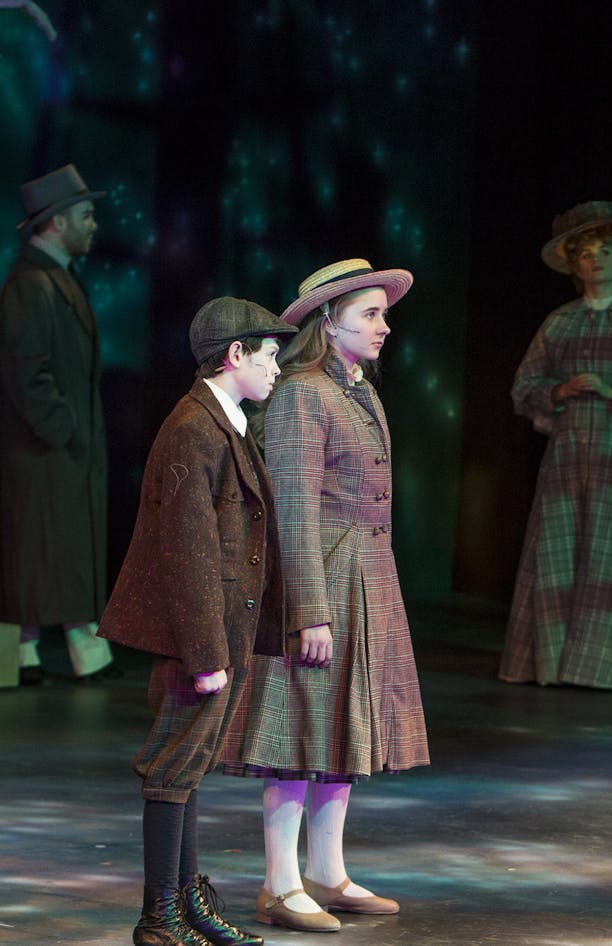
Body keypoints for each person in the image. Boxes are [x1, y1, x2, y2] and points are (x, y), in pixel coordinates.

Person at [221, 259, 428, 933]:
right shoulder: (303, 393)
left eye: (383, 313)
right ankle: (280, 883)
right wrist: (308, 608)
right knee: (299, 728)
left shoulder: (358, 389)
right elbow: (292, 509)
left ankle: (328, 873)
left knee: (344, 728)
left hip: (367, 576)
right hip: (323, 577)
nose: (384, 326)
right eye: (370, 314)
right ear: (326, 320)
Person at [99, 297, 296, 946]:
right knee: (172, 766)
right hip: (201, 638)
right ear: (234, 355)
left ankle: (185, 904)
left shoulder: (224, 423)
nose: (277, 368)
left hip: (219, 633)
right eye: (269, 355)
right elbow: (187, 553)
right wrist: (208, 654)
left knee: (186, 766)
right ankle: (160, 918)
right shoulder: (194, 428)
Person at [502, 200, 612, 690]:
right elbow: (523, 388)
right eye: (586, 253)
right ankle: (558, 662)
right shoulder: (559, 323)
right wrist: (558, 391)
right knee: (564, 548)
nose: (596, 260)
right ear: (575, 266)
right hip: (568, 452)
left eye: (605, 251)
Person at [0, 163, 117, 686]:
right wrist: (62, 427)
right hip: (42, 450)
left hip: (59, 449)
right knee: (35, 554)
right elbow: (26, 372)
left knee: (48, 554)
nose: (94, 225)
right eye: (85, 215)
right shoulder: (31, 286)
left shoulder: (54, 280)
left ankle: (43, 656)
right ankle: (34, 656)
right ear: (56, 223)